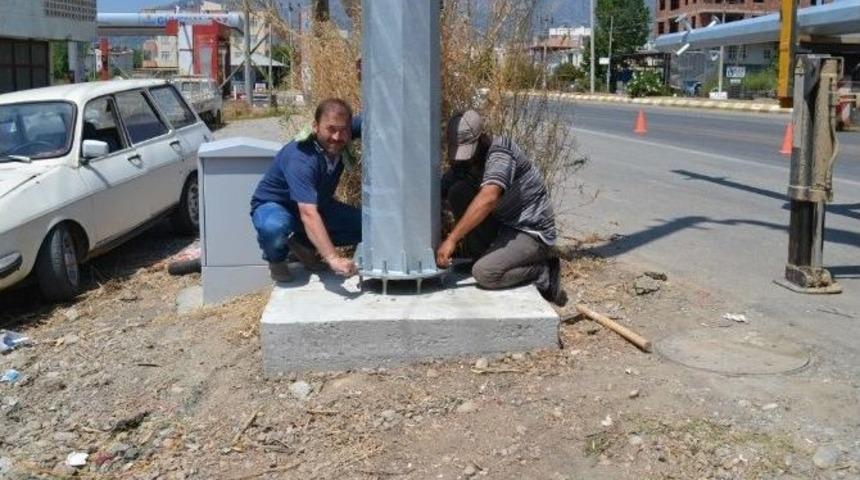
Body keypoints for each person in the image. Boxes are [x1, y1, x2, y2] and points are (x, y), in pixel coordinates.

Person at [435, 110, 567, 306]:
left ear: (481, 139)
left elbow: (489, 197)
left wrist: (452, 239)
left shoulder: (500, 151)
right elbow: (440, 190)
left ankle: (543, 272)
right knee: (458, 191)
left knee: (485, 274)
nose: (464, 159)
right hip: (504, 225)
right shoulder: (466, 163)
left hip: (530, 231)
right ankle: (482, 256)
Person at [250, 98, 361, 282]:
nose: (337, 137)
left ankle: (300, 242)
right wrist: (332, 258)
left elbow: (373, 119)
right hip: (277, 206)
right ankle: (277, 259)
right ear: (315, 127)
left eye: (343, 130)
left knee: (370, 226)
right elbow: (308, 213)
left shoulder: (342, 135)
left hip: (319, 206)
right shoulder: (302, 158)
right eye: (331, 129)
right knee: (274, 228)